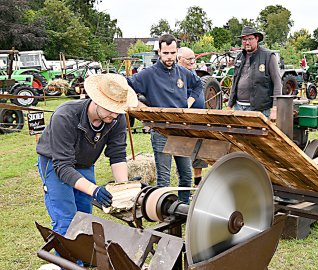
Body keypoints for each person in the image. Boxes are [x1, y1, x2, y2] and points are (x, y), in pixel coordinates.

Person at [36, 73, 138, 237]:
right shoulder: (65, 116)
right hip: (56, 163)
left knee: (84, 215)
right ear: (97, 100)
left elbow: (117, 154)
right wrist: (94, 190)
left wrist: (124, 187)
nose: (114, 116)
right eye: (111, 110)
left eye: (118, 111)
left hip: (84, 163)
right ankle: (67, 262)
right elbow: (63, 166)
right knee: (66, 219)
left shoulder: (116, 119)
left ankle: (82, 259)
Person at [127, 34, 203, 204]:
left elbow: (199, 84)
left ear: (177, 52)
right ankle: (165, 213)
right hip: (161, 131)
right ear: (159, 52)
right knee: (164, 179)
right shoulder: (148, 74)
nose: (169, 57)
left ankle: (183, 209)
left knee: (186, 175)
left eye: (172, 53)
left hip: (182, 131)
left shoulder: (183, 72)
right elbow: (127, 86)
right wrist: (142, 108)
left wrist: (189, 102)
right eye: (166, 53)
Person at [228, 26, 282, 120]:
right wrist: (229, 105)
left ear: (257, 39)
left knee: (257, 134)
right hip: (239, 107)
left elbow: (277, 83)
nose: (247, 42)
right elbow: (235, 82)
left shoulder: (268, 56)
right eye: (244, 39)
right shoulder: (239, 57)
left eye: (250, 39)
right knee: (240, 134)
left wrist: (275, 108)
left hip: (259, 110)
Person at [177, 46, 208, 187]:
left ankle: (197, 182)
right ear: (179, 59)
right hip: (185, 120)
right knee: (184, 151)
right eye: (189, 59)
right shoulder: (177, 74)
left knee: (200, 151)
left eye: (193, 58)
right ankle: (185, 183)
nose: (192, 62)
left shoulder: (193, 73)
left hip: (199, 118)